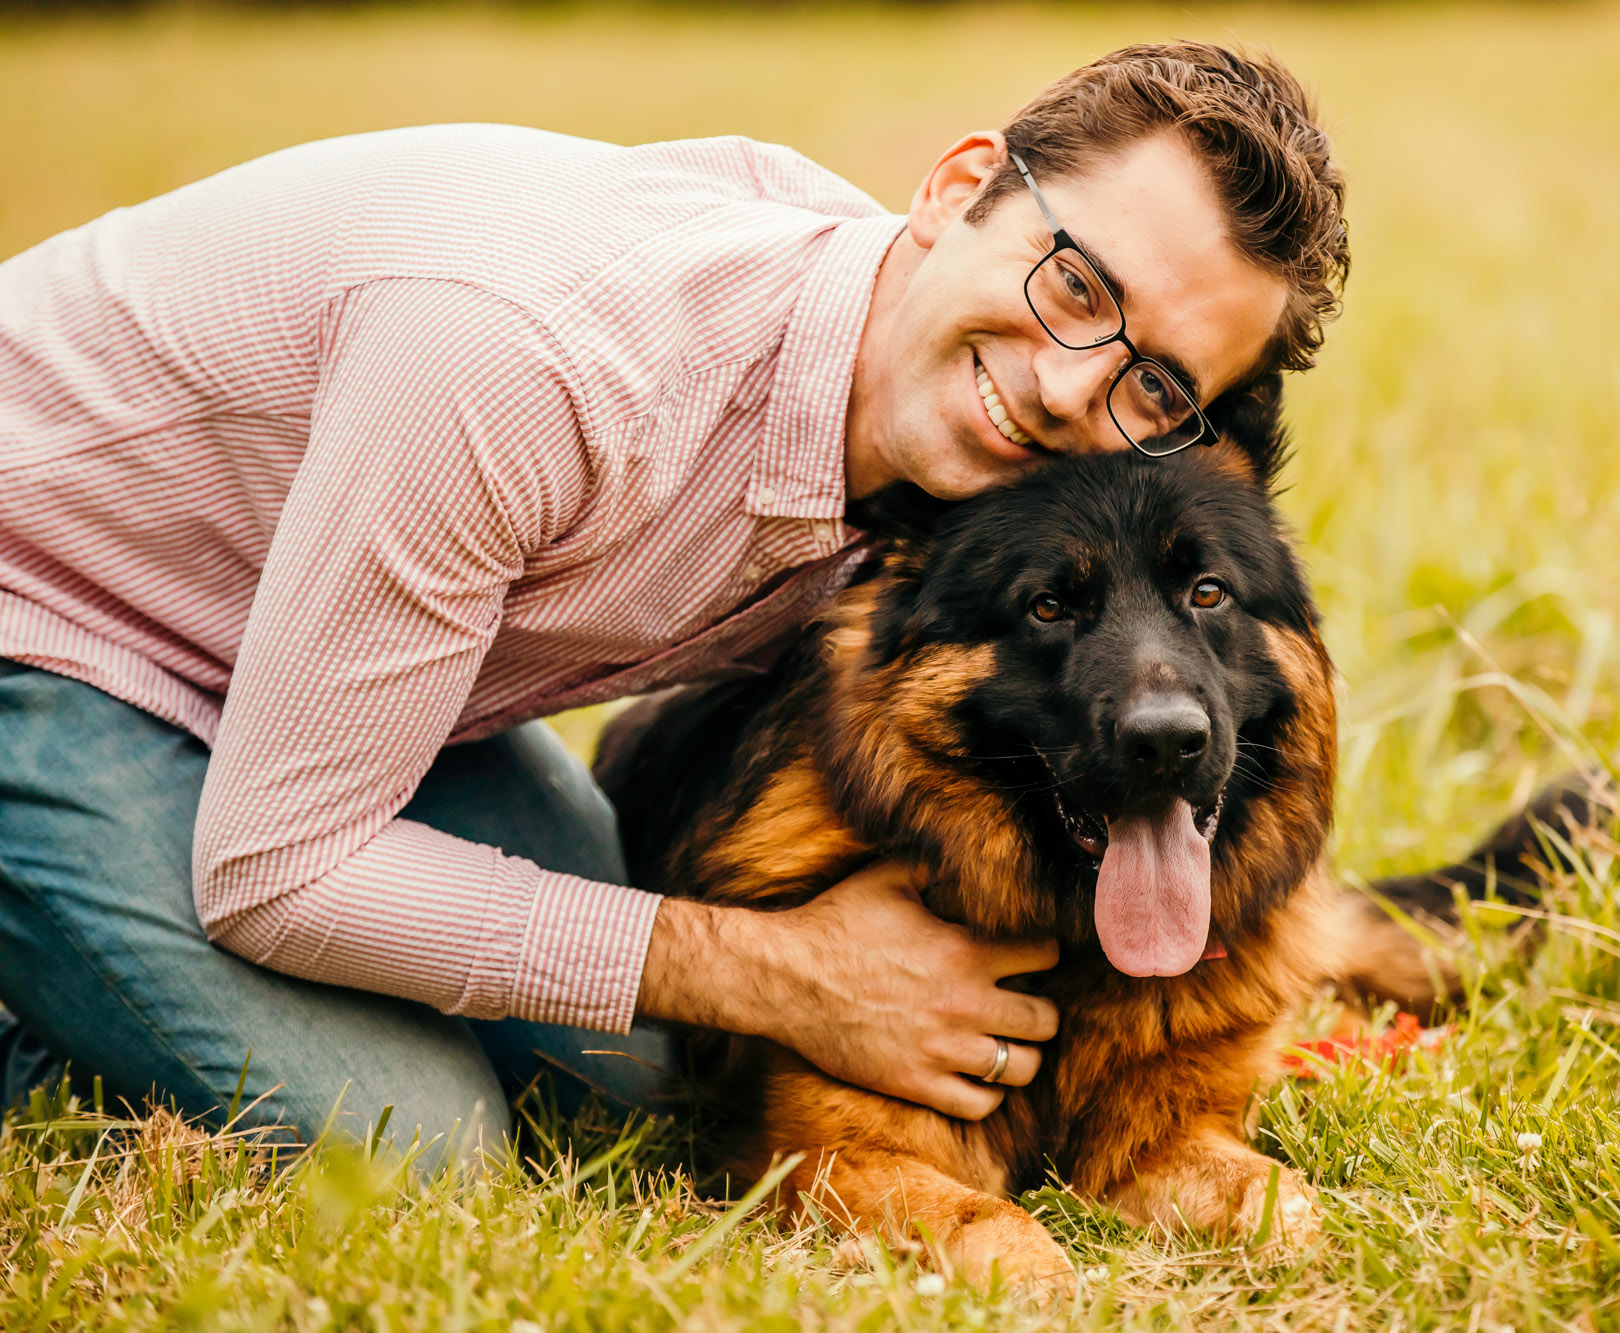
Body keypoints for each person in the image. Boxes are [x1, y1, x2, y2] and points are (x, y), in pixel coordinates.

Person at [0, 41, 1349, 1167]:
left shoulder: (943, 431)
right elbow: (280, 871)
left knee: (637, 1089)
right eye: (1074, 286)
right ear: (958, 189)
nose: (1069, 390)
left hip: (292, 656)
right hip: (48, 615)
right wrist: (785, 968)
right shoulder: (532, 362)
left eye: (1155, 386)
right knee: (419, 1145)